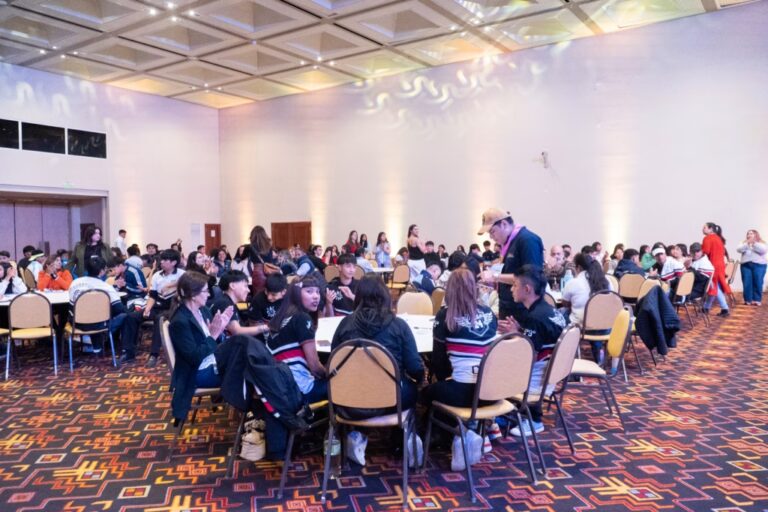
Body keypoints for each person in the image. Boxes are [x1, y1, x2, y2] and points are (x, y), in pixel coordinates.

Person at [331, 275, 424, 418]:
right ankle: (400, 435)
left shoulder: (345, 324)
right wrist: (420, 379)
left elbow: (333, 362)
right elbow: (414, 367)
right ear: (386, 296)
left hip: (350, 399)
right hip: (392, 400)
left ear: (358, 297)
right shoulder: (399, 325)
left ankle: (350, 434)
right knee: (413, 389)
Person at [499, 265, 566, 436]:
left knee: (488, 369)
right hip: (552, 374)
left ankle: (530, 419)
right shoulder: (549, 310)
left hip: (536, 380)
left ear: (527, 289)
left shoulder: (534, 318)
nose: (512, 289)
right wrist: (519, 332)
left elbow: (528, 355)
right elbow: (539, 340)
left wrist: (514, 337)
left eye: (514, 285)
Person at [422, 269, 497, 412]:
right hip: (492, 391)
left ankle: (459, 430)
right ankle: (484, 423)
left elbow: (439, 362)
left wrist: (446, 380)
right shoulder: (489, 313)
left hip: (462, 392)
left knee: (423, 394)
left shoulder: (445, 315)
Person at [168, 272, 233, 422]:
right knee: (245, 369)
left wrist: (221, 328)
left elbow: (211, 339)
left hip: (211, 363)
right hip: (196, 373)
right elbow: (195, 357)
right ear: (193, 294)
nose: (209, 294)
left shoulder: (202, 310)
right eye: (205, 291)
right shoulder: (180, 321)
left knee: (243, 351)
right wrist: (213, 336)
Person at [265, 273, 327, 404]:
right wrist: (330, 373)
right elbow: (315, 367)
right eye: (309, 291)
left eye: (317, 292)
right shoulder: (301, 318)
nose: (316, 296)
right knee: (345, 383)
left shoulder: (280, 318)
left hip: (280, 389)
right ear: (297, 294)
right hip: (301, 391)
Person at [68, 256, 142, 362]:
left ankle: (95, 348)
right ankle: (125, 351)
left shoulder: (74, 283)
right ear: (102, 271)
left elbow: (71, 304)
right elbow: (119, 309)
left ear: (86, 269)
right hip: (99, 325)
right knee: (125, 316)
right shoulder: (106, 287)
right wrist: (132, 309)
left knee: (93, 314)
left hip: (76, 324)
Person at [477, 208, 544, 321]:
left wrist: (495, 276)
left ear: (503, 224)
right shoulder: (509, 243)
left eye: (492, 231)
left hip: (522, 310)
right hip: (509, 306)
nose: (491, 237)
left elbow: (531, 278)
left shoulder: (527, 240)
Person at [144, 249, 185, 368]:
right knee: (132, 317)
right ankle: (128, 352)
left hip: (174, 307)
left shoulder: (181, 274)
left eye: (165, 260)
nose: (161, 262)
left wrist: (171, 285)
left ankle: (154, 354)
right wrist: (147, 308)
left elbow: (187, 284)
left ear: (173, 262)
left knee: (159, 319)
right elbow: (152, 295)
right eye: (161, 259)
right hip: (158, 305)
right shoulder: (157, 275)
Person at [212, 271, 270, 339]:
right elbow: (237, 331)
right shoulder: (224, 303)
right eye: (245, 286)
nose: (248, 290)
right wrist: (266, 327)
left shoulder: (229, 302)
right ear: (232, 285)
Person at [561, 253, 611, 325]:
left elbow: (565, 304)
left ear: (579, 267)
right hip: (606, 327)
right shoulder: (607, 281)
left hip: (579, 328)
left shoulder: (573, 283)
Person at [736, 229, 767, 306]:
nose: (749, 235)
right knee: (747, 282)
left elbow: (763, 250)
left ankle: (757, 299)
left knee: (758, 282)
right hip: (746, 265)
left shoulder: (761, 243)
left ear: (756, 235)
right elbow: (739, 249)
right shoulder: (743, 243)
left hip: (759, 265)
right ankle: (748, 299)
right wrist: (747, 244)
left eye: (752, 233)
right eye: (748, 234)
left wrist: (754, 243)